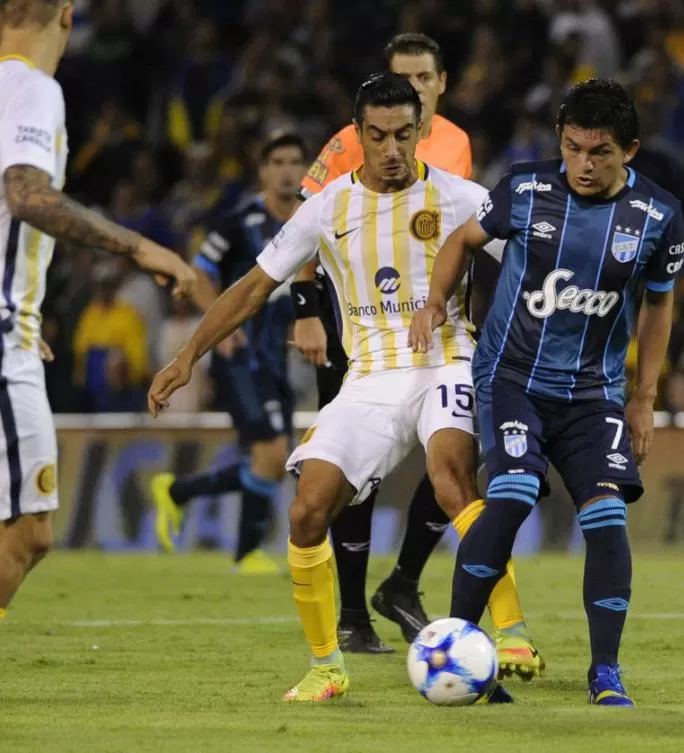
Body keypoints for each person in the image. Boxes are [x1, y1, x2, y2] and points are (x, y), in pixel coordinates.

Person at [147, 73, 539, 702]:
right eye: (377, 136)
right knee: (307, 510)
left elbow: (529, 271)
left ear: (421, 132)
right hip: (370, 377)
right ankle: (328, 666)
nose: (391, 149)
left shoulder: (464, 198)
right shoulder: (328, 206)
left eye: (403, 135)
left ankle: (512, 630)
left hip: (447, 360)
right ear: (357, 134)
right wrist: (188, 354)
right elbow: (252, 286)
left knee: (451, 475)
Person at [410, 79, 684, 706]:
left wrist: (643, 398)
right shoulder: (526, 189)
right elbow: (460, 242)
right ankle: (460, 645)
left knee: (608, 516)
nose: (583, 165)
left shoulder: (658, 216)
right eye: (572, 147)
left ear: (630, 151)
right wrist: (433, 302)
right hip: (512, 378)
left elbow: (659, 307)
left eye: (600, 152)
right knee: (509, 494)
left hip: (593, 394)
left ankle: (606, 671)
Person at [0, 0, 195, 622]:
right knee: (29, 531)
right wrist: (139, 246)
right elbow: (28, 196)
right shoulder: (31, 89)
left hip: (15, 327)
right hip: (6, 337)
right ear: (65, 15)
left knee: (27, 531)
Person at [289, 33, 481, 655]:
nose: (414, 90)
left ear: (440, 85)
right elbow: (304, 231)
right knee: (352, 472)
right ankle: (350, 612)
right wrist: (307, 312)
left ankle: (403, 581)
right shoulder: (350, 140)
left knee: (452, 457)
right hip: (357, 328)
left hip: (434, 331)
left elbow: (463, 234)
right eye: (403, 77)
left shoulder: (455, 145)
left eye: (424, 79)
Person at [149, 132, 307, 573]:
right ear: (263, 171)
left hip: (276, 355)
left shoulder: (310, 218)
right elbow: (198, 273)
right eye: (277, 161)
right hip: (241, 356)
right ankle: (246, 554)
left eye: (295, 160)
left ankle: (177, 492)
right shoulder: (240, 221)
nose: (288, 169)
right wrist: (220, 328)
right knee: (272, 456)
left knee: (270, 461)